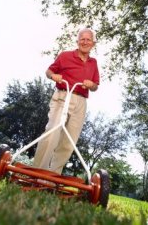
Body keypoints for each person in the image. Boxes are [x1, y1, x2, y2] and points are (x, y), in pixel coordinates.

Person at [33, 28, 100, 174]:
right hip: (63, 96)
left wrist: (91, 85)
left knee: (69, 142)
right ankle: (37, 172)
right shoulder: (65, 56)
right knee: (51, 134)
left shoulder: (93, 63)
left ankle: (53, 175)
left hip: (81, 101)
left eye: (88, 39)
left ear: (93, 43)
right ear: (77, 41)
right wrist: (53, 76)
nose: (85, 42)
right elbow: (49, 71)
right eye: (82, 38)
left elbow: (95, 86)